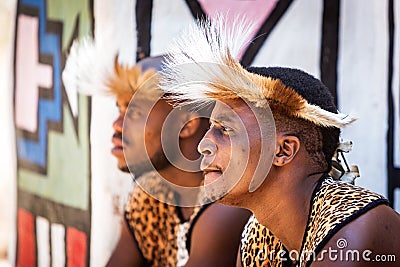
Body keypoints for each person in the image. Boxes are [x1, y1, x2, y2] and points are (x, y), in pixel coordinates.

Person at [159, 17, 400, 266]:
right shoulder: (259, 235)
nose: (204, 144)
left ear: (283, 151)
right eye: (211, 127)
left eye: (226, 129)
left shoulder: (351, 235)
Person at [63, 39, 251, 267]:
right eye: (120, 109)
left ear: (186, 125)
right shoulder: (149, 197)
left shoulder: (228, 204)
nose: (117, 125)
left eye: (135, 112)